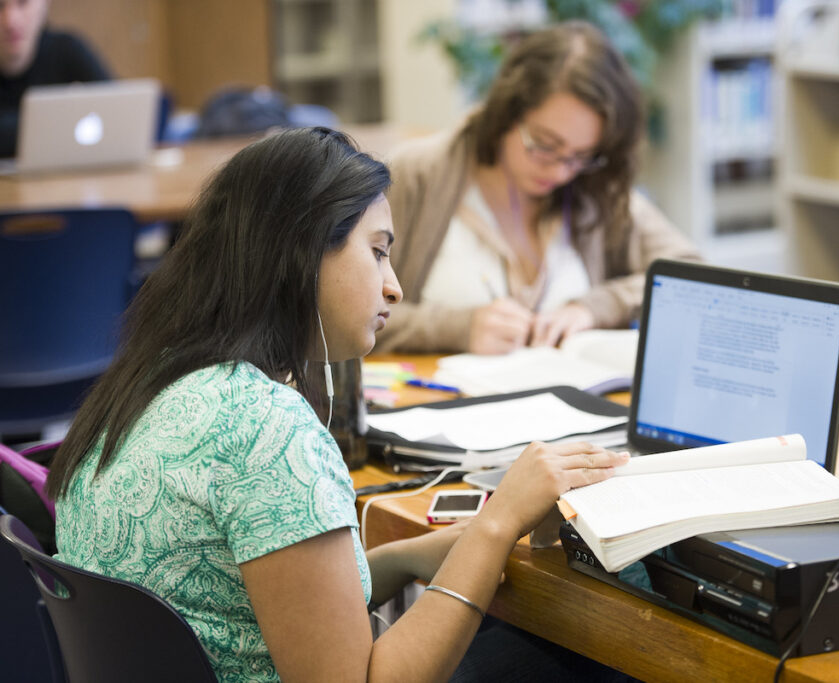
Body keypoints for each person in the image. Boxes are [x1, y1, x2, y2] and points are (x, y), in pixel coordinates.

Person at [44, 126, 630, 682]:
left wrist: (411, 557)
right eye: (377, 252)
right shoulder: (265, 432)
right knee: (589, 658)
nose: (394, 286)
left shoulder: (152, 382)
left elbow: (260, 598)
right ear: (302, 252)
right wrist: (497, 522)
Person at [377, 20, 700, 355]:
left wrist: (594, 307)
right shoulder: (416, 175)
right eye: (544, 145)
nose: (561, 171)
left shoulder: (595, 186)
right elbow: (341, 314)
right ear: (506, 113)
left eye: (581, 155)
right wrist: (456, 329)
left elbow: (691, 276)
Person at [0, 0, 111, 157]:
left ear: (44, 4)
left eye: (23, 3)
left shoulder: (68, 50)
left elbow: (118, 113)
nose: (11, 21)